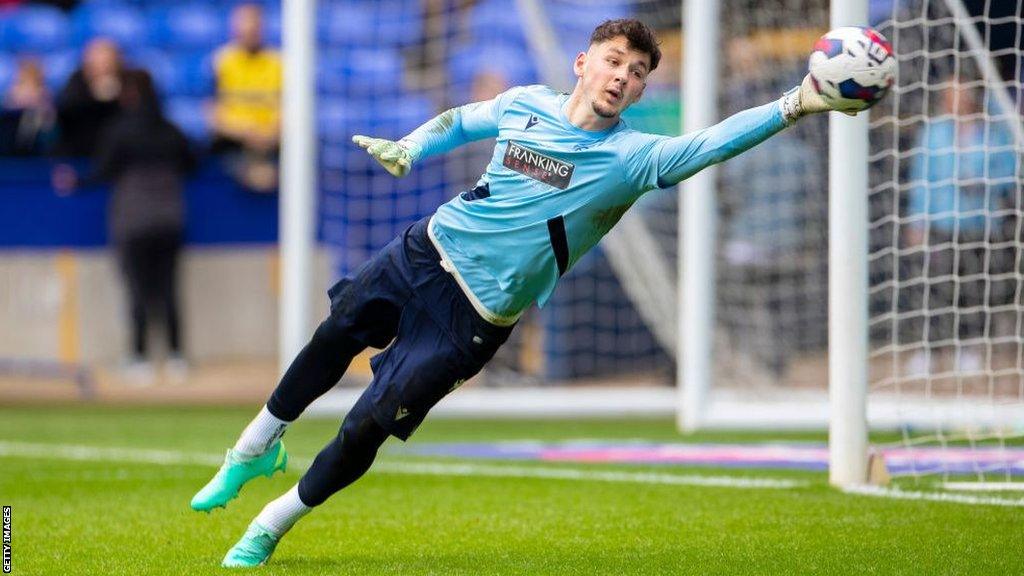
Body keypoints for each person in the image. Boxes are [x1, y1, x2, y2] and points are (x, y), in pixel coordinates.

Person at [190, 19, 845, 567]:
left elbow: (713, 142)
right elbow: (458, 121)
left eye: (638, 71)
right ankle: (252, 448)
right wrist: (411, 148)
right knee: (335, 334)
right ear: (584, 62)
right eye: (615, 61)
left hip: (472, 318)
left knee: (367, 423)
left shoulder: (634, 158)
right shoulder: (525, 102)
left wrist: (797, 102)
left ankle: (273, 523)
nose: (624, 76)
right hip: (425, 250)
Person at [54, 70, 197, 383]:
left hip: (133, 218)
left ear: (129, 94)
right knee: (168, 288)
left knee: (138, 290)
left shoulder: (119, 130)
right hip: (170, 216)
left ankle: (139, 358)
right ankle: (175, 358)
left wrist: (75, 182)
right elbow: (192, 163)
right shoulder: (171, 129)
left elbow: (102, 171)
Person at [901, 80, 1017, 376]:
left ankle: (969, 348)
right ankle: (928, 349)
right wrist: (918, 220)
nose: (957, 100)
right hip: (942, 222)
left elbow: (1011, 172)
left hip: (980, 223)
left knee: (975, 288)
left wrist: (984, 182)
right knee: (937, 288)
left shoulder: (992, 131)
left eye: (962, 93)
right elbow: (920, 178)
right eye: (951, 94)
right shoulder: (933, 133)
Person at [209, 3, 282, 193]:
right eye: (243, 25)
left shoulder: (279, 63)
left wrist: (268, 134)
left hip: (273, 145)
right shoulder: (221, 61)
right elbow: (212, 113)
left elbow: (290, 111)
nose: (249, 31)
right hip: (234, 144)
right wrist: (245, 132)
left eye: (254, 26)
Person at [53, 38, 126, 157]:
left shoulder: (128, 83)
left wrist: (115, 97)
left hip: (117, 152)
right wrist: (94, 96)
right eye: (96, 61)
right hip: (79, 150)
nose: (101, 67)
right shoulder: (77, 81)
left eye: (106, 62)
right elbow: (65, 111)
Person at [0, 58, 55, 156]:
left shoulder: (45, 97)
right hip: (10, 149)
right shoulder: (11, 95)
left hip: (38, 151)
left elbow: (49, 129)